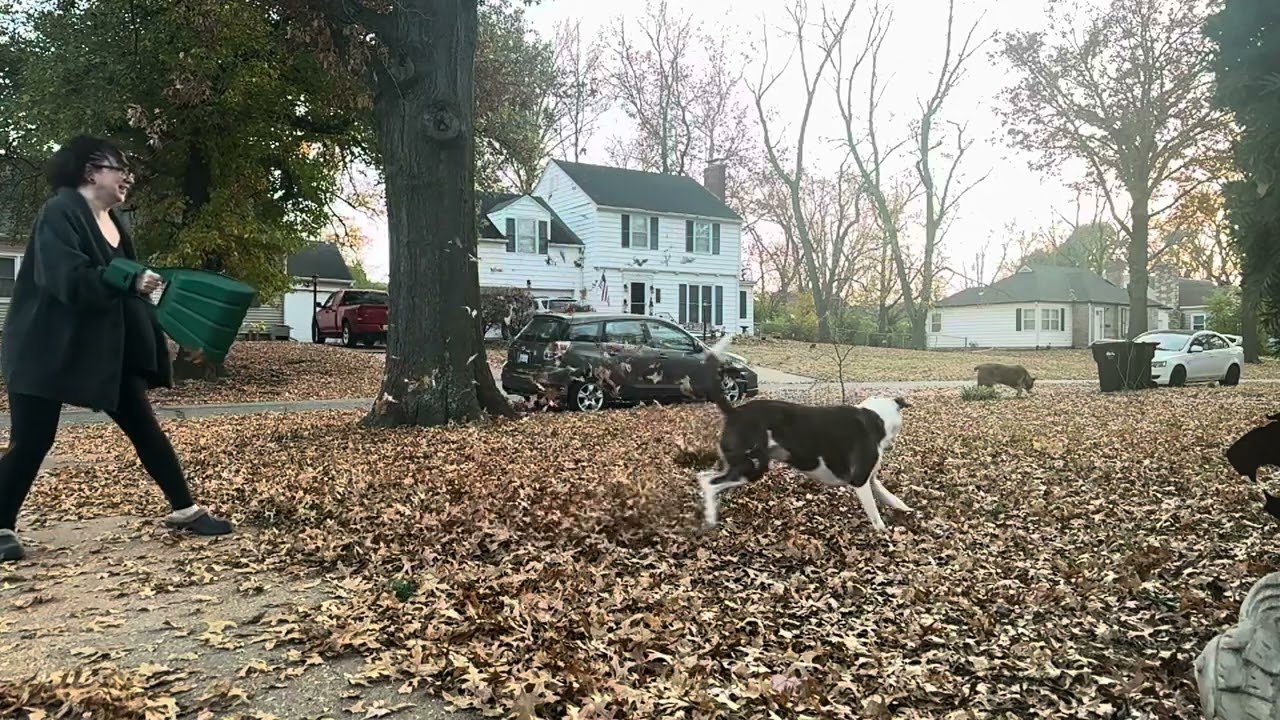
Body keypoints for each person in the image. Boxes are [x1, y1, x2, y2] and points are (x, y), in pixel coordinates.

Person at [0, 136, 232, 562]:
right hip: (45, 347)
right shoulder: (60, 211)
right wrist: (127, 280)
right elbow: (67, 278)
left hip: (102, 350)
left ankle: (186, 509)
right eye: (119, 167)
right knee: (33, 440)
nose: (128, 176)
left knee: (144, 426)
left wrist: (177, 334)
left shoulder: (112, 222)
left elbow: (129, 291)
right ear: (91, 171)